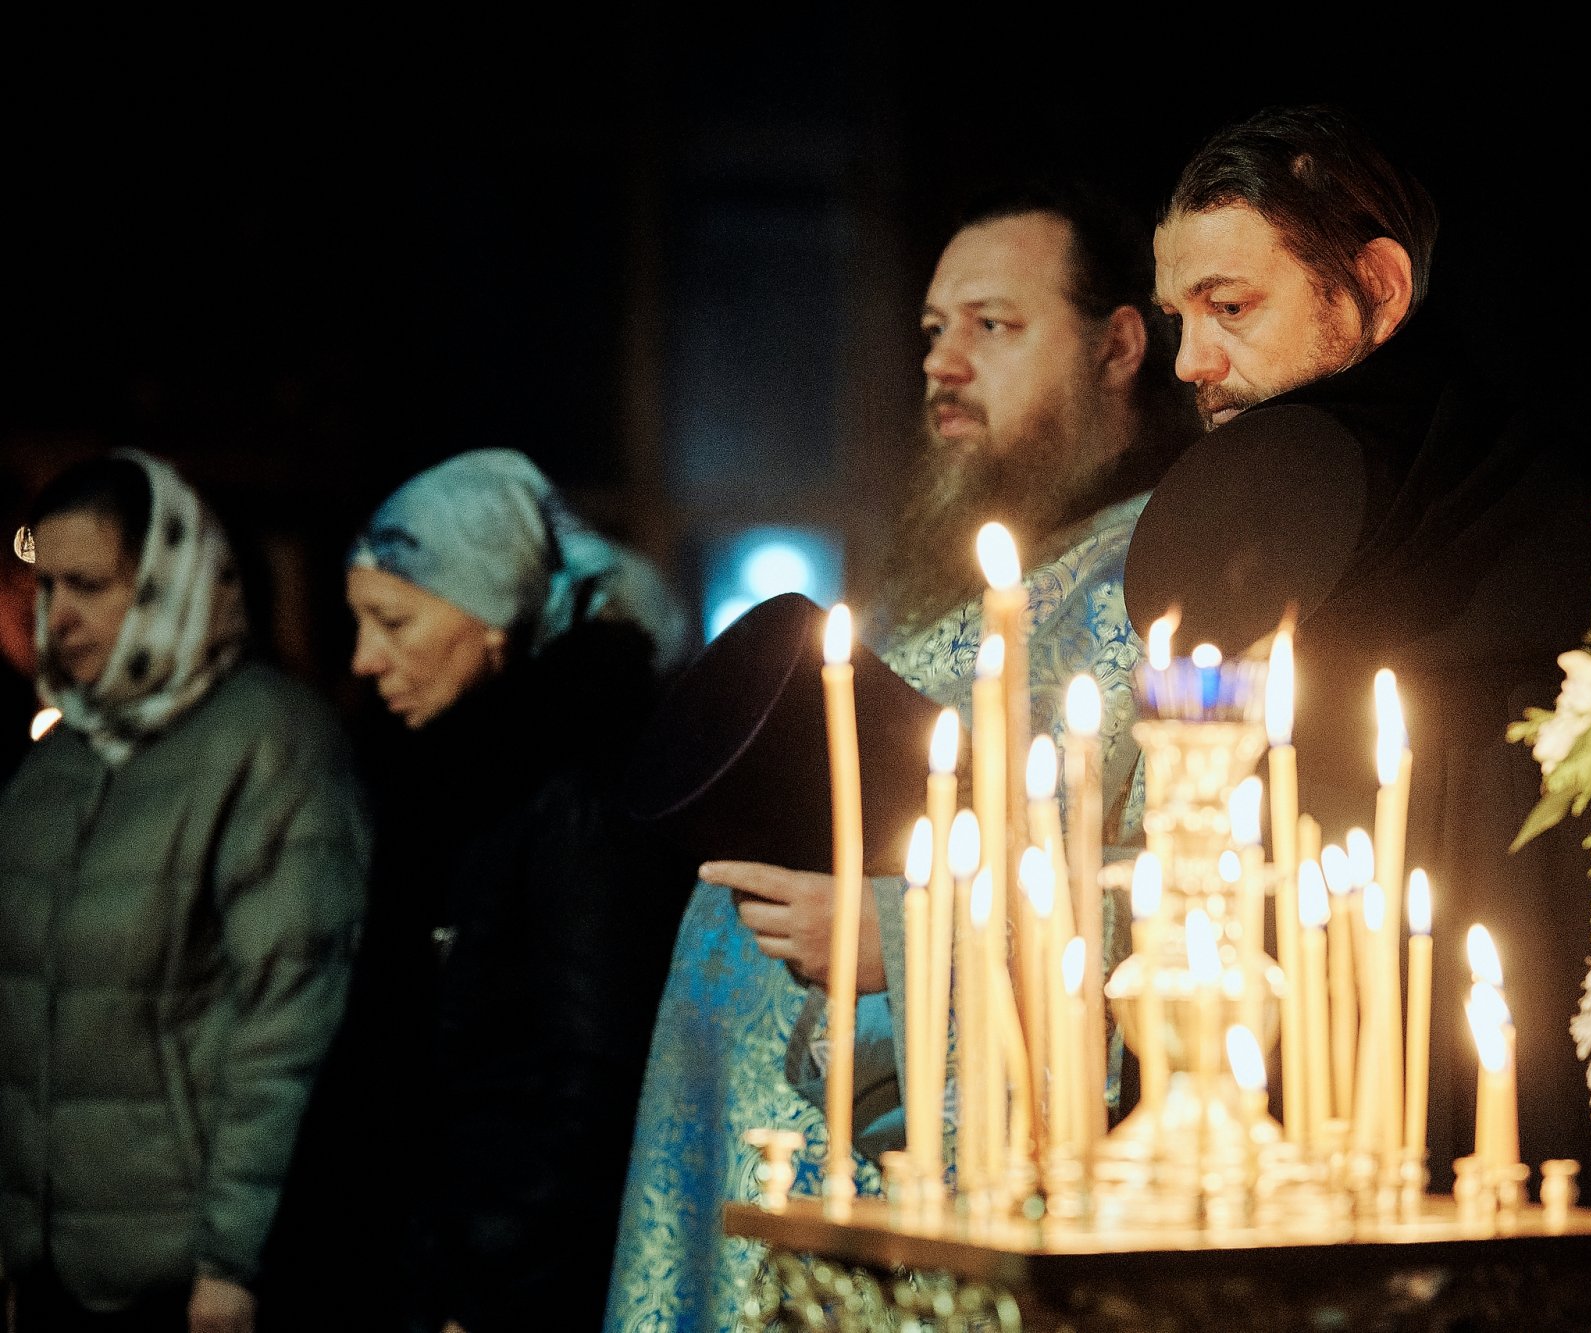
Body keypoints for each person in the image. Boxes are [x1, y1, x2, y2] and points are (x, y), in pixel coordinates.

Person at [604, 181, 1200, 1333]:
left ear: (1119, 345)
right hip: (758, 1155)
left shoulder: (1161, 578)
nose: (942, 363)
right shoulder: (944, 576)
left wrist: (910, 935)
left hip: (911, 1213)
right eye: (932, 330)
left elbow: (1187, 896)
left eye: (993, 324)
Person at [1128, 104, 1591, 1197]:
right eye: (1176, 318)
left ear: (1379, 289)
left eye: (1230, 307)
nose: (1191, 361)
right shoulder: (1224, 547)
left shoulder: (1551, 540)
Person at [259, 448, 693, 1333]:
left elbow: (587, 1085)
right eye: (357, 623)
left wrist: (485, 1294)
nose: (365, 659)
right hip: (421, 1265)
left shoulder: (570, 792)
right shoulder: (440, 778)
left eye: (393, 622)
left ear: (492, 615)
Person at [0, 450, 369, 1333]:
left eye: (89, 584)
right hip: (53, 1274)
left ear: (171, 574)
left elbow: (286, 1022)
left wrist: (232, 1263)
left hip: (185, 1281)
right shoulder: (53, 766)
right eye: (46, 586)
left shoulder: (271, 741)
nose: (59, 616)